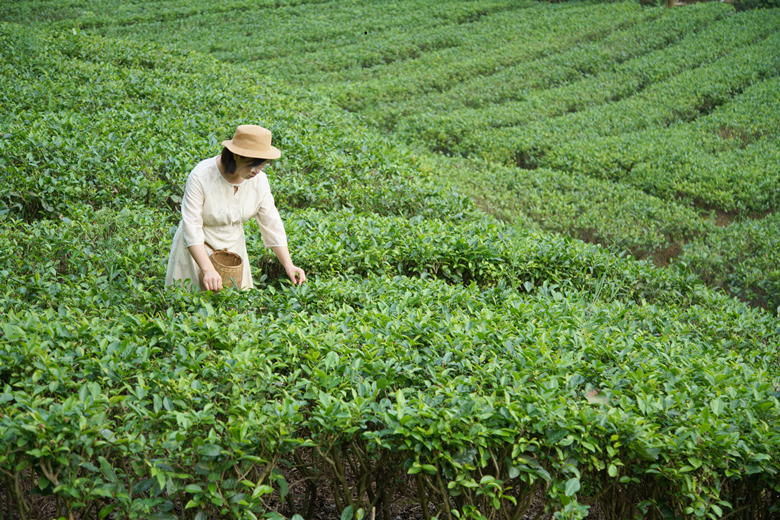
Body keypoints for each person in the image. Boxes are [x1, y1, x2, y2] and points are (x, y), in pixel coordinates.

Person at [165, 125, 306, 292]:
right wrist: (207, 269)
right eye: (253, 165)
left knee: (233, 309)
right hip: (196, 249)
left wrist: (288, 264)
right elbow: (192, 226)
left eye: (262, 166)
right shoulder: (201, 176)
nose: (256, 171)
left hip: (233, 251)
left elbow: (271, 223)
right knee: (189, 306)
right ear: (237, 155)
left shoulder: (259, 181)